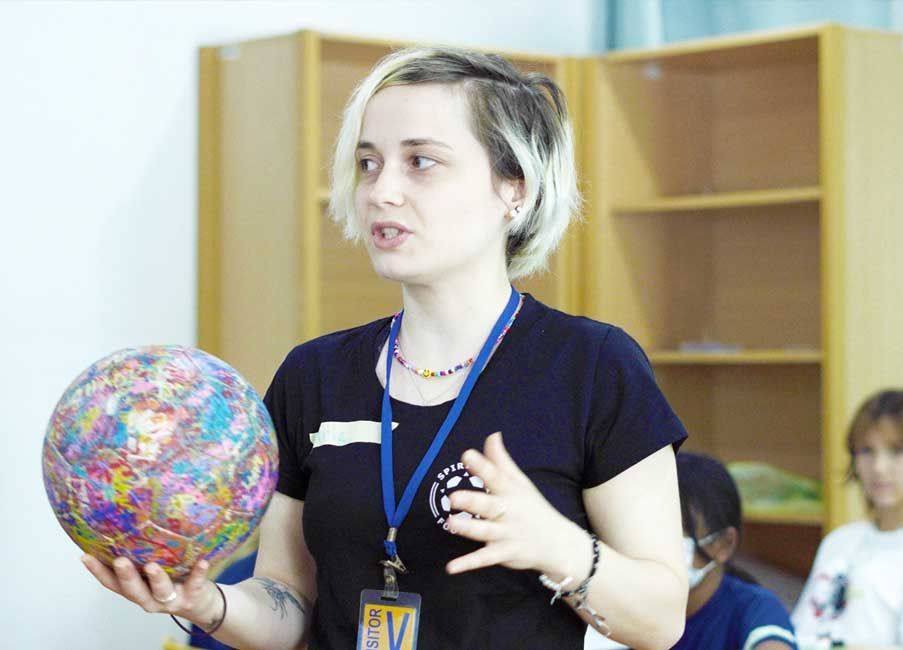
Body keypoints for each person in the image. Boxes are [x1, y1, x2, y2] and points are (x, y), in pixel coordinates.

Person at [81, 46, 690, 649]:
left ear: (516, 190)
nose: (381, 191)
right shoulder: (313, 374)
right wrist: (207, 603)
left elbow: (660, 621)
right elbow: (288, 604)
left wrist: (555, 545)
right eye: (369, 164)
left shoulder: (592, 366)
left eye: (421, 161)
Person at [791, 389, 903, 649]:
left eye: (896, 451)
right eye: (867, 451)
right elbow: (801, 633)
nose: (879, 467)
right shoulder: (840, 541)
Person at [670, 452, 797, 650]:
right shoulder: (628, 607)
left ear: (724, 544)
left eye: (679, 530)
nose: (659, 544)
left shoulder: (755, 609)